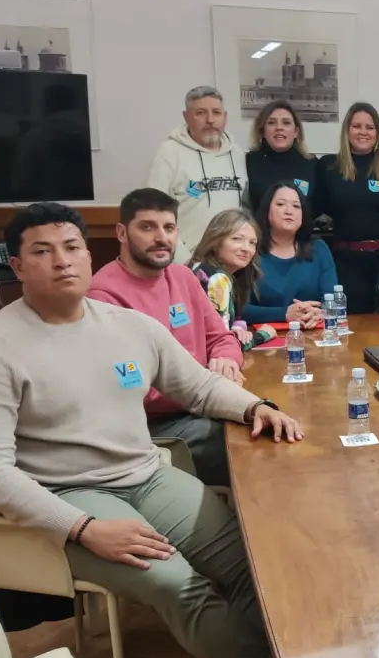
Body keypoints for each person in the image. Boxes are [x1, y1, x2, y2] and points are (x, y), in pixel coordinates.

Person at [0, 202, 303, 658]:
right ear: (17, 267)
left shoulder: (129, 326)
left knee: (250, 565)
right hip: (66, 495)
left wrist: (254, 407)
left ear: (89, 256)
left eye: (72, 247)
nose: (62, 261)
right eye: (42, 252)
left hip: (147, 476)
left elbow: (198, 386)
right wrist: (83, 528)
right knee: (177, 584)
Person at [87, 189, 245, 487]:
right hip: (152, 426)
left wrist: (226, 360)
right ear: (122, 233)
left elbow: (222, 338)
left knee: (268, 418)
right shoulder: (103, 295)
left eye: (169, 227)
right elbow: (128, 385)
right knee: (241, 443)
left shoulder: (183, 277)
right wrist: (204, 387)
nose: (161, 238)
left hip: (201, 404)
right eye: (147, 227)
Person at [316, 102, 379, 314]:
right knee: (354, 320)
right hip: (346, 260)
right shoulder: (329, 167)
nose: (363, 132)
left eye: (369, 127)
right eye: (356, 126)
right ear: (347, 130)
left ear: (378, 133)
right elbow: (314, 209)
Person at [147, 86, 247, 263]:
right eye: (201, 113)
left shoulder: (238, 154)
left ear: (225, 117)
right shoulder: (169, 153)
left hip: (233, 260)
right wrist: (184, 260)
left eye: (216, 113)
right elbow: (153, 211)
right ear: (186, 117)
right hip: (187, 261)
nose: (210, 120)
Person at [240, 181, 337, 327]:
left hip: (311, 330)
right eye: (280, 204)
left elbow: (333, 300)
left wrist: (320, 313)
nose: (289, 211)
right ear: (267, 210)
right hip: (263, 334)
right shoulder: (251, 249)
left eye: (296, 206)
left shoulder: (318, 248)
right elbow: (240, 308)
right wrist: (284, 313)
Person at [188, 208, 277, 351]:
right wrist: (262, 335)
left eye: (252, 243)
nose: (246, 248)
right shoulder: (217, 279)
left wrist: (236, 326)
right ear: (215, 242)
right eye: (237, 239)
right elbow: (221, 346)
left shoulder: (199, 268)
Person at [244, 99, 319, 210]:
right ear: (262, 131)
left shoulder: (311, 164)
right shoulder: (249, 161)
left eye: (286, 123)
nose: (279, 128)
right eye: (271, 123)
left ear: (296, 132)